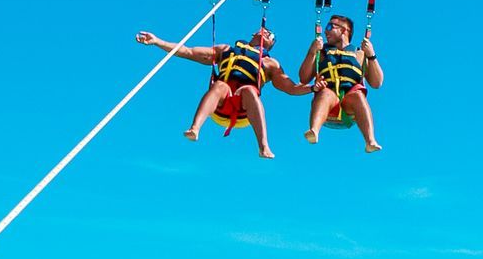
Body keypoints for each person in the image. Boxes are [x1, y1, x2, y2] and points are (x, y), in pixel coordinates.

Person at [136, 20, 291, 157]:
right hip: (219, 105)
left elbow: (290, 87)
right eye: (264, 31)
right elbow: (187, 51)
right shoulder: (225, 50)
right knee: (220, 85)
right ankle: (195, 128)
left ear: (270, 44)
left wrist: (311, 88)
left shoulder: (270, 63)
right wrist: (157, 41)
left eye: (269, 34)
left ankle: (263, 146)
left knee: (249, 90)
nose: (265, 32)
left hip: (246, 110)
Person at [299, 14, 383, 150]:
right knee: (326, 93)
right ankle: (314, 130)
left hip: (350, 104)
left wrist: (371, 55)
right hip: (327, 102)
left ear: (344, 30)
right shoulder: (321, 52)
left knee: (358, 96)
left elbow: (377, 83)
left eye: (330, 27)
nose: (326, 31)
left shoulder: (360, 54)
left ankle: (370, 140)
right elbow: (303, 78)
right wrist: (312, 52)